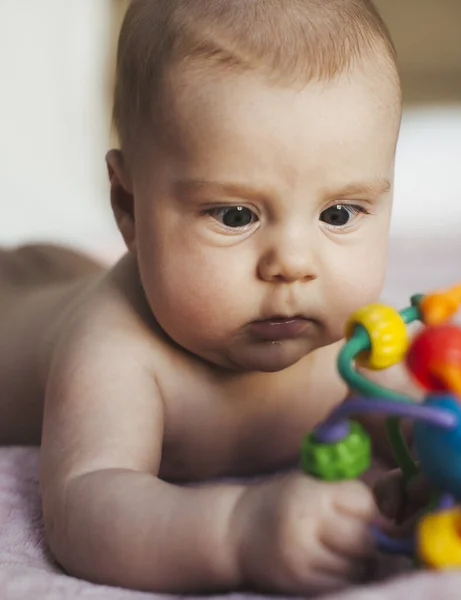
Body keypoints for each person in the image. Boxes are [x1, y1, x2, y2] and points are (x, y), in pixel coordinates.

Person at [0, 0, 409, 594]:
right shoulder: (116, 348)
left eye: (338, 213)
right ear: (129, 207)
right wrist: (238, 531)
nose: (293, 265)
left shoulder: (351, 338)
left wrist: (447, 449)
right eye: (237, 215)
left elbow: (414, 417)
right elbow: (85, 507)